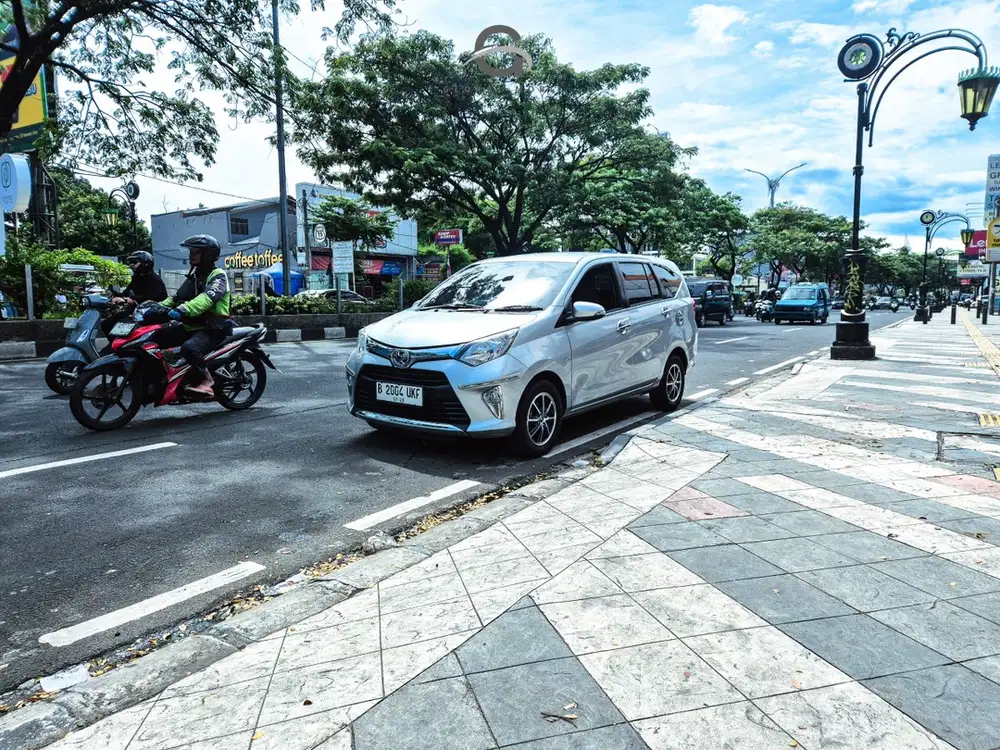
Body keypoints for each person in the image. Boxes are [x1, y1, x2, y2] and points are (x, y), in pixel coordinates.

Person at [155, 235, 233, 396]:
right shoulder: (194, 276)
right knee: (158, 336)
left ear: (208, 255)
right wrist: (154, 308)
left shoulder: (218, 275)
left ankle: (206, 380)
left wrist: (183, 309)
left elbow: (206, 299)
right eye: (191, 251)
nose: (192, 255)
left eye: (196, 252)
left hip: (213, 328)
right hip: (193, 325)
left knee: (190, 348)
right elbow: (175, 298)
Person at [102, 251, 168, 337]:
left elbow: (155, 297)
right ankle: (116, 346)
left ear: (146, 264)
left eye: (134, 262)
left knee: (120, 325)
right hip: (137, 312)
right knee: (107, 324)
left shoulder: (155, 279)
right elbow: (125, 293)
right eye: (130, 262)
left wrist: (131, 300)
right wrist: (114, 296)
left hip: (152, 314)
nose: (131, 265)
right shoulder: (137, 279)